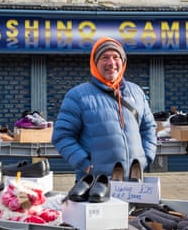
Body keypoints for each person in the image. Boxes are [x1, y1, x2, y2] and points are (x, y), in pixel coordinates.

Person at [52, 36, 157, 182]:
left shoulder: (136, 92)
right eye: (104, 57)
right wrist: (86, 165)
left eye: (116, 57)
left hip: (133, 182)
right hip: (95, 183)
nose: (111, 63)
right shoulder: (78, 96)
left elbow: (148, 128)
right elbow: (62, 136)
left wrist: (146, 157)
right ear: (95, 63)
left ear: (123, 61)